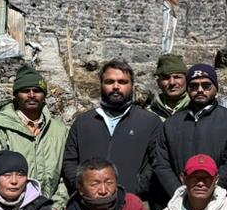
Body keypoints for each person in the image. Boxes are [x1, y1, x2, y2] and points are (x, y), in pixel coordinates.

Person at [62, 60, 161, 201]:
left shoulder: (149, 122)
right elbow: (70, 161)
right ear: (101, 84)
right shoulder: (83, 122)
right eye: (109, 82)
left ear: (132, 85)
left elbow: (157, 161)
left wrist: (138, 187)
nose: (116, 87)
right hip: (88, 203)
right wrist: (81, 187)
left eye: (122, 82)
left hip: (132, 202)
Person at [153, 64, 227, 206]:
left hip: (220, 202)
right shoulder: (171, 124)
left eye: (206, 85)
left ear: (216, 88)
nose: (199, 90)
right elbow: (161, 163)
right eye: (193, 86)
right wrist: (180, 193)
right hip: (179, 203)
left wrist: (208, 190)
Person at [0, 65, 69, 210]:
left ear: (44, 95)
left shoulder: (59, 131)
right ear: (16, 95)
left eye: (37, 91)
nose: (32, 95)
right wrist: (8, 208)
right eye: (25, 91)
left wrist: (56, 207)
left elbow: (68, 172)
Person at [144, 53, 189, 120]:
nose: (172, 82)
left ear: (186, 80)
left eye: (177, 77)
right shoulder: (148, 113)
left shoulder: (197, 109)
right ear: (158, 83)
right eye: (166, 78)